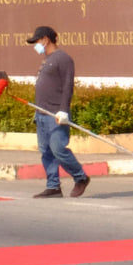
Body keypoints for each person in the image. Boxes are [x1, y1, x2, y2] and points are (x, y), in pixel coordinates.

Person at [27, 25, 89, 198]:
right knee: (46, 151)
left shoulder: (63, 59)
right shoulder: (46, 59)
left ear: (46, 39)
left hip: (56, 114)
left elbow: (68, 85)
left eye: (37, 41)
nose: (35, 46)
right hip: (41, 114)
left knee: (58, 149)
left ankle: (80, 177)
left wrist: (63, 110)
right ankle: (53, 186)